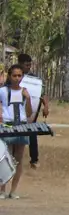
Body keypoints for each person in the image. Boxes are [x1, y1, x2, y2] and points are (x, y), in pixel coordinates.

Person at [0, 64, 34, 199]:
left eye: (19, 75)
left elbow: (29, 113)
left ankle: (13, 190)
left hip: (22, 125)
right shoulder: (3, 91)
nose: (17, 78)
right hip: (7, 126)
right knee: (4, 158)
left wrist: (28, 99)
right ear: (10, 76)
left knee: (18, 159)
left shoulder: (25, 91)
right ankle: (2, 189)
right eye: (14, 75)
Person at [17, 53, 47, 170]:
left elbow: (42, 93)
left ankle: (34, 160)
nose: (28, 67)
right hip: (15, 112)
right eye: (26, 65)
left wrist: (46, 106)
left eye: (30, 65)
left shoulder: (35, 79)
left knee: (32, 134)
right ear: (20, 64)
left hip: (31, 113)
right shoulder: (14, 76)